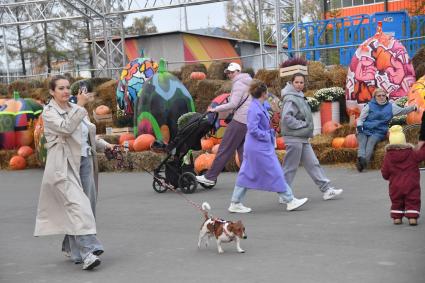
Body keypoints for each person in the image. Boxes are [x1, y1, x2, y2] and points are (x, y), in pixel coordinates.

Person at [34, 75, 112, 270]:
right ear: (52, 91)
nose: (66, 91)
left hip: (85, 161)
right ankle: (88, 252)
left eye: (67, 87)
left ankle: (71, 246)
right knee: (79, 206)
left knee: (87, 207)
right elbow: (66, 128)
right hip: (64, 165)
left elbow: (86, 134)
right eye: (61, 88)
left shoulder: (76, 109)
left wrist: (107, 146)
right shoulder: (49, 113)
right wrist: (80, 105)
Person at [228, 80, 308, 213]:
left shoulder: (258, 105)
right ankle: (289, 200)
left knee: (246, 174)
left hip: (256, 147)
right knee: (275, 171)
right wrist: (267, 134)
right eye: (267, 92)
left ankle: (235, 202)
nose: (268, 94)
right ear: (264, 93)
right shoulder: (255, 108)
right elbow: (253, 129)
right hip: (259, 147)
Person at [280, 73, 343, 202]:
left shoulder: (299, 96)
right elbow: (287, 117)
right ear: (292, 83)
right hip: (293, 138)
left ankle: (326, 190)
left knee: (313, 164)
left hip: (301, 137)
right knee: (290, 167)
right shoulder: (291, 98)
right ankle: (284, 194)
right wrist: (302, 125)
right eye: (296, 82)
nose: (299, 85)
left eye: (301, 82)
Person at [196, 62, 252, 186]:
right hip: (247, 121)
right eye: (228, 72)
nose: (230, 74)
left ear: (238, 71)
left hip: (239, 120)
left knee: (224, 149)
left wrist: (216, 109)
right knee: (241, 149)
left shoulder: (239, 84)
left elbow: (233, 104)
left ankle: (210, 177)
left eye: (232, 72)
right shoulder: (249, 82)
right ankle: (248, 177)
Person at [356, 88, 417, 172]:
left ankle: (362, 164)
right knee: (362, 142)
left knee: (371, 142)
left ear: (386, 96)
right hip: (364, 128)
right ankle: (361, 160)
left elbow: (403, 111)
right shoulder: (369, 105)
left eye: (383, 95)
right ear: (375, 97)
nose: (381, 97)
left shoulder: (391, 106)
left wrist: (413, 108)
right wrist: (359, 127)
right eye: (379, 95)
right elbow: (361, 119)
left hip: (378, 131)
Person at [381, 125, 425, 226]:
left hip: (395, 185)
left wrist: (386, 176)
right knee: (413, 198)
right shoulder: (412, 152)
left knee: (396, 200)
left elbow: (385, 171)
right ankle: (412, 218)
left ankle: (397, 218)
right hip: (411, 183)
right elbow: (422, 155)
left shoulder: (388, 156)